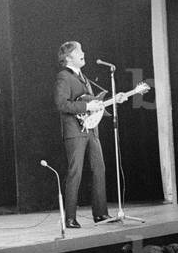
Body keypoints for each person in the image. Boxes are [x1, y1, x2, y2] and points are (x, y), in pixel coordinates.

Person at [53, 41, 125, 228]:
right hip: (74, 131)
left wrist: (113, 101)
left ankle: (100, 214)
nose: (83, 53)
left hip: (91, 129)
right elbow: (62, 104)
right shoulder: (63, 77)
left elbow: (94, 107)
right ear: (68, 57)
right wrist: (87, 106)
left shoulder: (84, 77)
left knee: (99, 168)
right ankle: (69, 218)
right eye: (79, 51)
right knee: (75, 171)